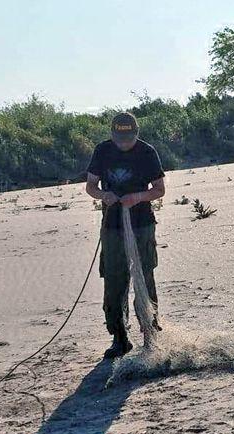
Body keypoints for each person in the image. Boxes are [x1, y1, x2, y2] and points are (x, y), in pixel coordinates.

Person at [85, 113, 166, 358]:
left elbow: (159, 189)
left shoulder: (147, 152)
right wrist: (103, 196)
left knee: (144, 276)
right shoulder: (102, 151)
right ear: (112, 134)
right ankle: (119, 337)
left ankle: (150, 330)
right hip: (112, 226)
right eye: (119, 138)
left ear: (136, 134)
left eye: (128, 138)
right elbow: (91, 186)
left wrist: (138, 197)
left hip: (141, 224)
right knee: (114, 279)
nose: (124, 143)